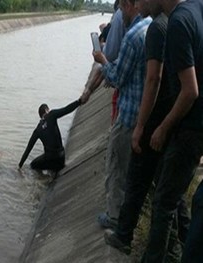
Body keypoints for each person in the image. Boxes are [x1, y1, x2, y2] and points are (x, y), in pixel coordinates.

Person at [103, 0, 189, 258]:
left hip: (142, 117)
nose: (140, 7)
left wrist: (143, 126)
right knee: (169, 194)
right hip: (166, 121)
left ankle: (126, 233)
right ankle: (176, 247)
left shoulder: (151, 30)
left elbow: (152, 79)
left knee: (139, 182)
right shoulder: (169, 23)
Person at [141, 0, 203, 261]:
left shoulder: (177, 23)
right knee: (177, 196)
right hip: (197, 128)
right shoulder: (198, 8)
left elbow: (190, 90)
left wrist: (162, 128)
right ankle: (178, 250)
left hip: (188, 128)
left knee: (163, 202)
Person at [93, 0, 151, 229]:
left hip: (128, 115)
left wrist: (102, 60)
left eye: (121, 7)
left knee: (116, 168)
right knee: (131, 171)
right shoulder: (150, 27)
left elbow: (116, 77)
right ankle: (128, 216)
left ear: (129, 5)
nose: (120, 13)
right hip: (143, 113)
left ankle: (115, 217)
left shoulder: (133, 36)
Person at [18, 99, 80, 172]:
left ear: (40, 116)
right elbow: (66, 109)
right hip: (61, 158)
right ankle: (52, 172)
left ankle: (42, 179)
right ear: (47, 110)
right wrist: (79, 101)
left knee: (33, 164)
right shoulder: (52, 114)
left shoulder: (37, 130)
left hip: (50, 159)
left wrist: (19, 166)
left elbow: (28, 150)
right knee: (50, 156)